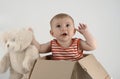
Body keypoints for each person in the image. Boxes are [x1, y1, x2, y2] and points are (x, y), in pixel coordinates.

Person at [30, 13, 96, 61]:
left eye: (67, 25)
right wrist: (32, 38)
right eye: (58, 26)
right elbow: (39, 48)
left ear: (74, 31)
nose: (63, 29)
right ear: (52, 33)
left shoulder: (77, 43)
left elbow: (92, 46)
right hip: (60, 72)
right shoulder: (52, 44)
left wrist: (85, 33)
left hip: (76, 72)